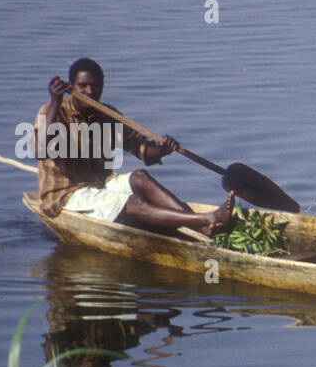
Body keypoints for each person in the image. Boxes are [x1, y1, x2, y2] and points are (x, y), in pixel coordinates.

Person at [34, 58, 234, 236]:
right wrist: (55, 100)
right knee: (134, 203)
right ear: (71, 87)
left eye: (95, 87)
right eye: (83, 86)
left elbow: (142, 150)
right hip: (66, 195)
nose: (90, 92)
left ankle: (198, 226)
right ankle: (205, 219)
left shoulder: (107, 115)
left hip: (98, 186)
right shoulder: (53, 112)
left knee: (140, 177)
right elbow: (40, 150)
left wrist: (163, 149)